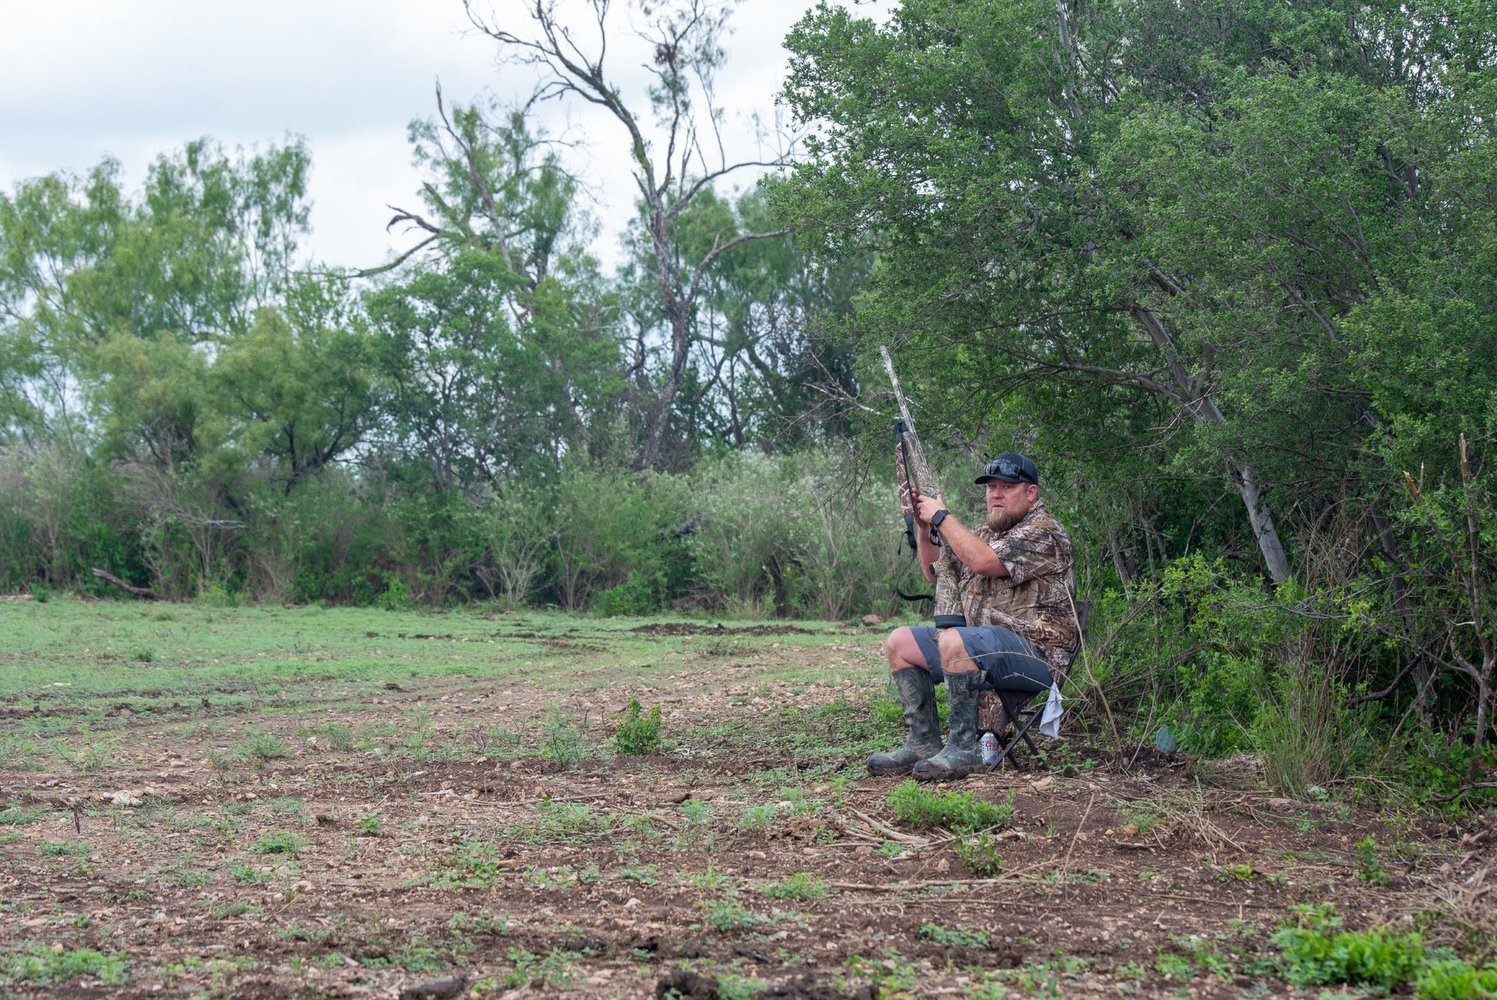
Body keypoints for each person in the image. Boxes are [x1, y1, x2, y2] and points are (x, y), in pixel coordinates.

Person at [869, 453, 1077, 781]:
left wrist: (942, 516)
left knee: (954, 639)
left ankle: (963, 748)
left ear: (1031, 493)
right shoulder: (985, 531)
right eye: (991, 487)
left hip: (1036, 657)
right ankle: (922, 742)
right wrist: (925, 528)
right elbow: (935, 573)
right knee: (901, 642)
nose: (995, 493)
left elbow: (982, 561)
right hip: (977, 647)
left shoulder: (1044, 532)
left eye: (1007, 487)